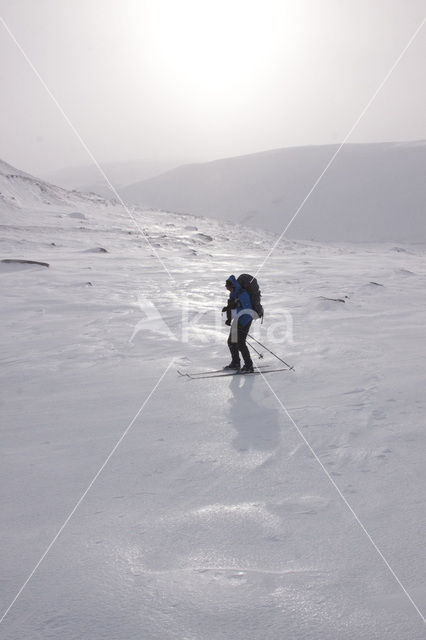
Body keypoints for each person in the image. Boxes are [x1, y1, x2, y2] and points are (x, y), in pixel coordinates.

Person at [222, 275, 254, 373]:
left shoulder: (242, 294)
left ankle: (249, 366)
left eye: (229, 288)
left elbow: (247, 310)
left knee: (240, 343)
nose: (228, 290)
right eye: (227, 288)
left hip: (245, 319)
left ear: (233, 286)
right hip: (237, 320)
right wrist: (229, 318)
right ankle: (236, 363)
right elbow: (234, 308)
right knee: (231, 342)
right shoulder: (233, 294)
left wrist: (240, 324)